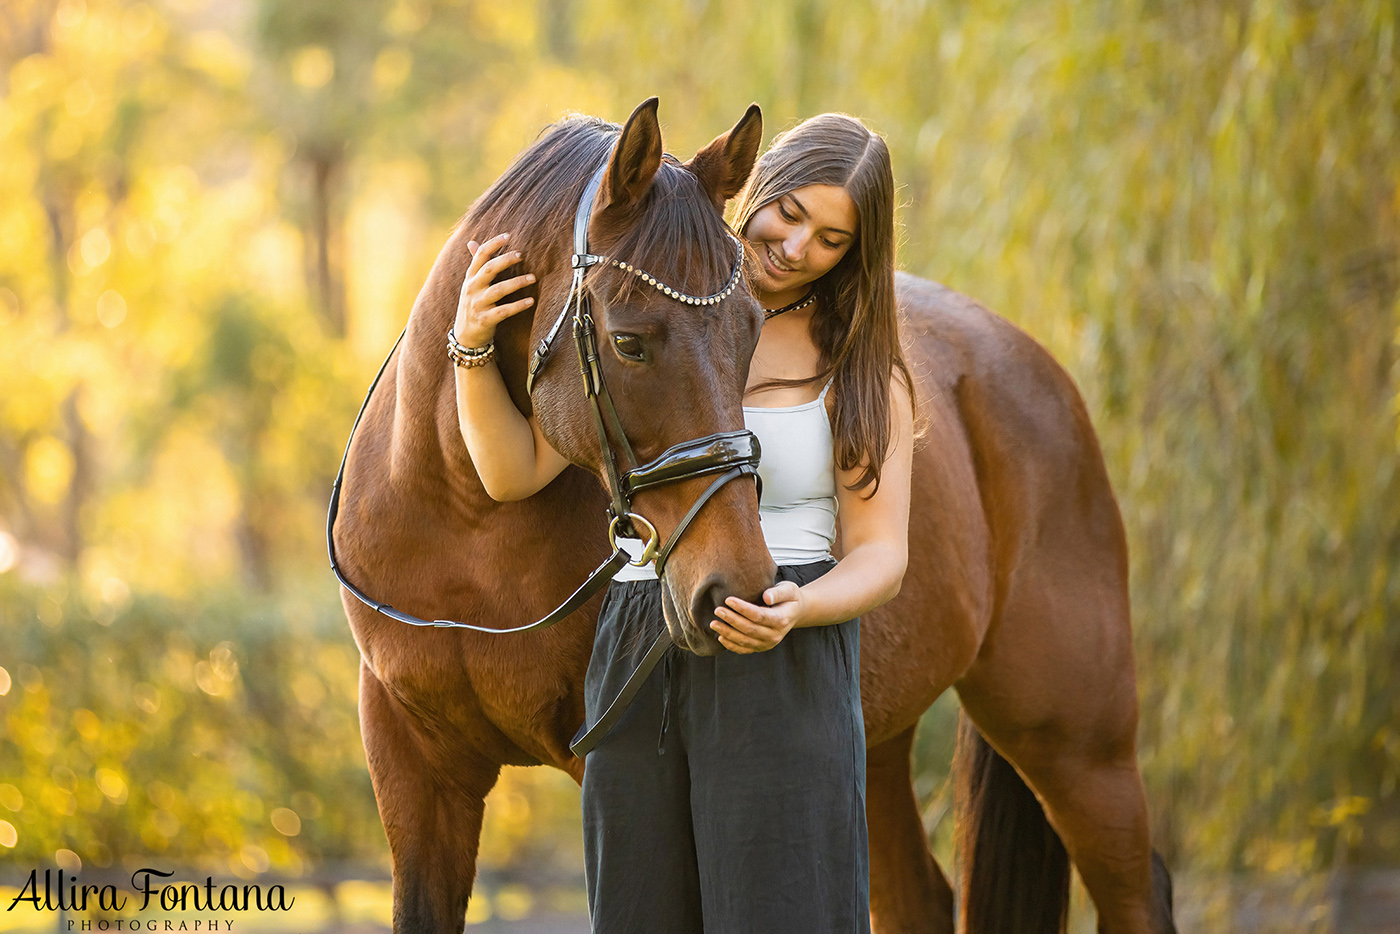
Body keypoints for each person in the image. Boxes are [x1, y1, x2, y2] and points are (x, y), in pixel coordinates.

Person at [452, 112, 915, 934]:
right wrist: (472, 347)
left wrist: (800, 609)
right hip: (642, 634)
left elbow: (882, 553)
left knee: (780, 912)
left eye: (833, 238)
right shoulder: (667, 320)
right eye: (792, 212)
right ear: (757, 192)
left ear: (855, 255)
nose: (799, 246)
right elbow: (513, 470)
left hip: (782, 643)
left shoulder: (859, 366)